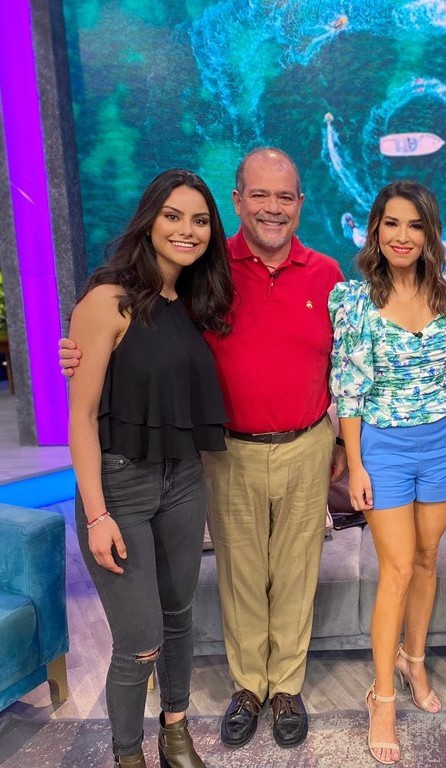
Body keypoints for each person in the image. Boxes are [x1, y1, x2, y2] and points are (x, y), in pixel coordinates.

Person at [60, 147, 346, 751]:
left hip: (305, 443)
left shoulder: (326, 274)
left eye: (285, 196)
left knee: (296, 573)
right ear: (238, 201)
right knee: (241, 574)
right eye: (259, 195)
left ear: (301, 204)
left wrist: (343, 437)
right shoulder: (208, 272)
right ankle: (248, 688)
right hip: (227, 450)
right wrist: (77, 348)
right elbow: (134, 321)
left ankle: (286, 687)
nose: (272, 208)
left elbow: (347, 362)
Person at [68, 169, 233, 768]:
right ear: (149, 221)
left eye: (200, 220)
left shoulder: (191, 303)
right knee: (139, 640)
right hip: (120, 485)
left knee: (179, 615)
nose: (187, 230)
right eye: (173, 216)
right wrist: (97, 515)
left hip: (184, 480)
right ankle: (126, 754)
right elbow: (81, 418)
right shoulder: (107, 301)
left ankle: (175, 730)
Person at [329, 181, 446, 764]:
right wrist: (356, 465)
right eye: (392, 223)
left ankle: (413, 661)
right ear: (375, 230)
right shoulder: (355, 301)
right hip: (384, 447)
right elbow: (349, 391)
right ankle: (383, 695)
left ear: (429, 233)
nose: (402, 236)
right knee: (395, 569)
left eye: (415, 225)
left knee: (426, 559)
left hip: (442, 440)